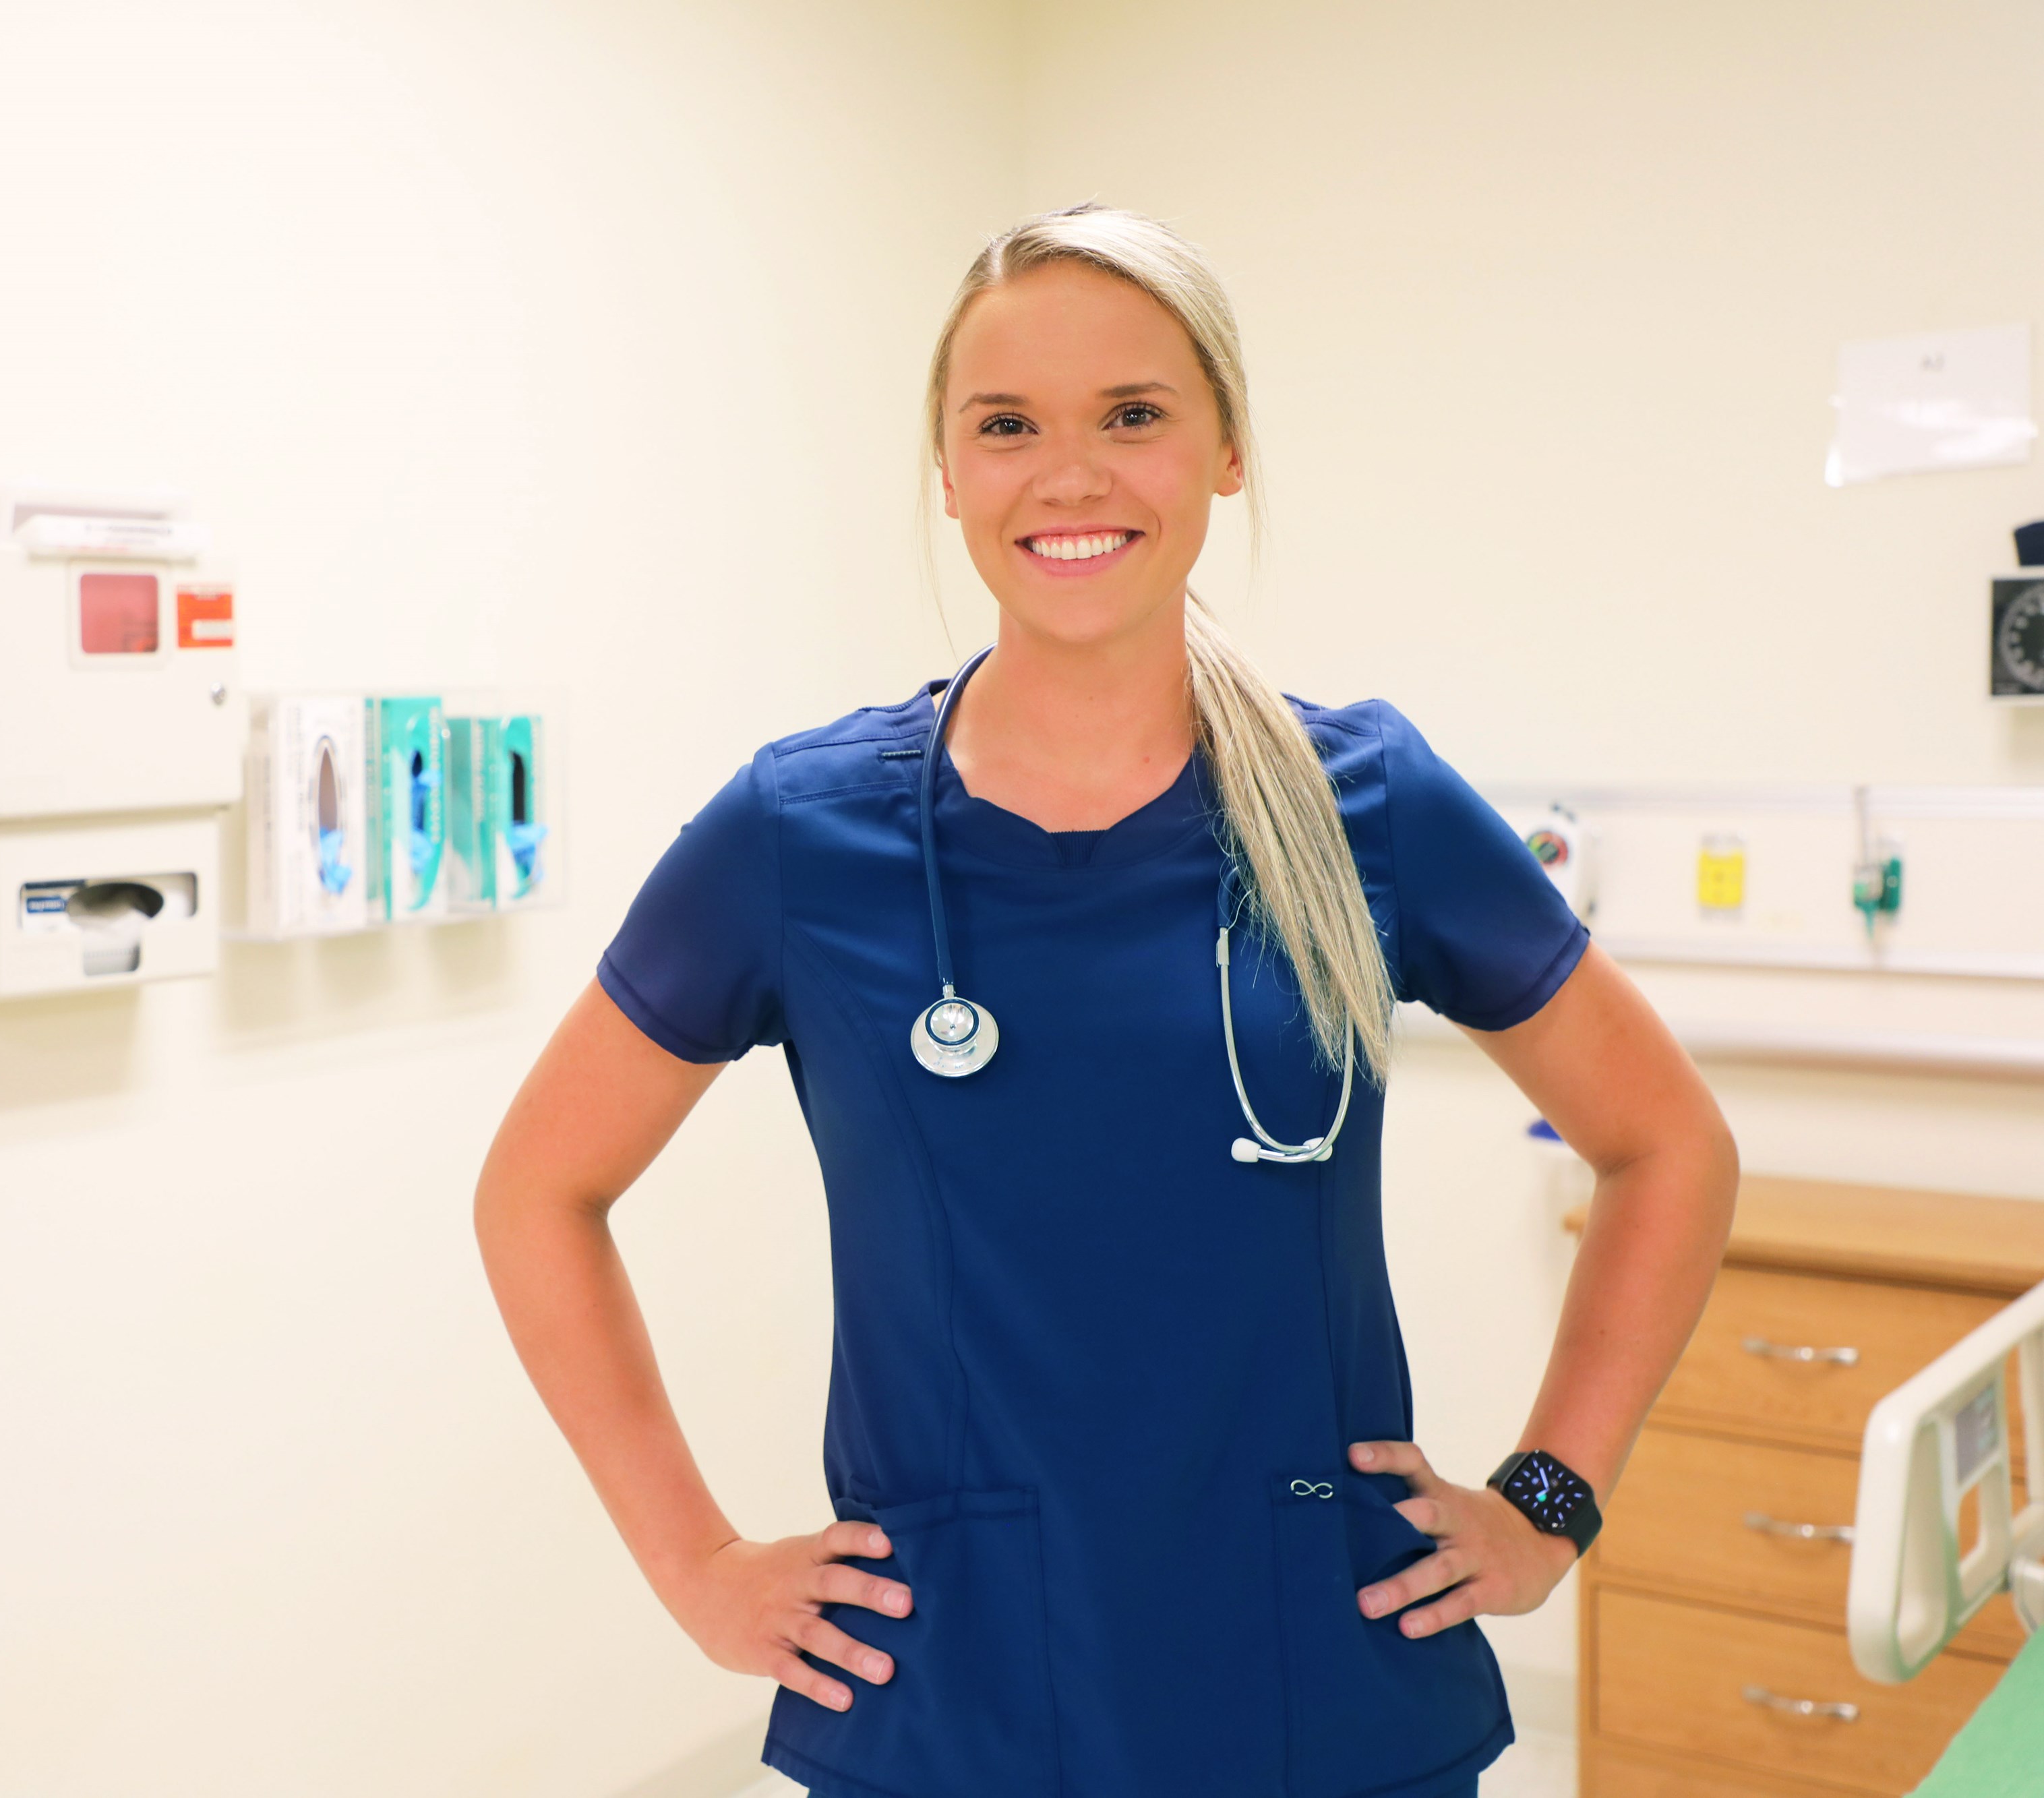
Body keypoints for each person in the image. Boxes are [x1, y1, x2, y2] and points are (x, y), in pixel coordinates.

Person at [473, 205, 1737, 1798]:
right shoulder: (803, 836)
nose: (1067, 477)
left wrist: (1550, 1493)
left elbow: (1666, 1142)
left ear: (1222, 447)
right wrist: (694, 1561)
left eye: (1131, 414)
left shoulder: (1372, 806)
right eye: (1004, 426)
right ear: (946, 471)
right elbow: (537, 1185)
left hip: (1320, 1678)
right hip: (950, 1691)